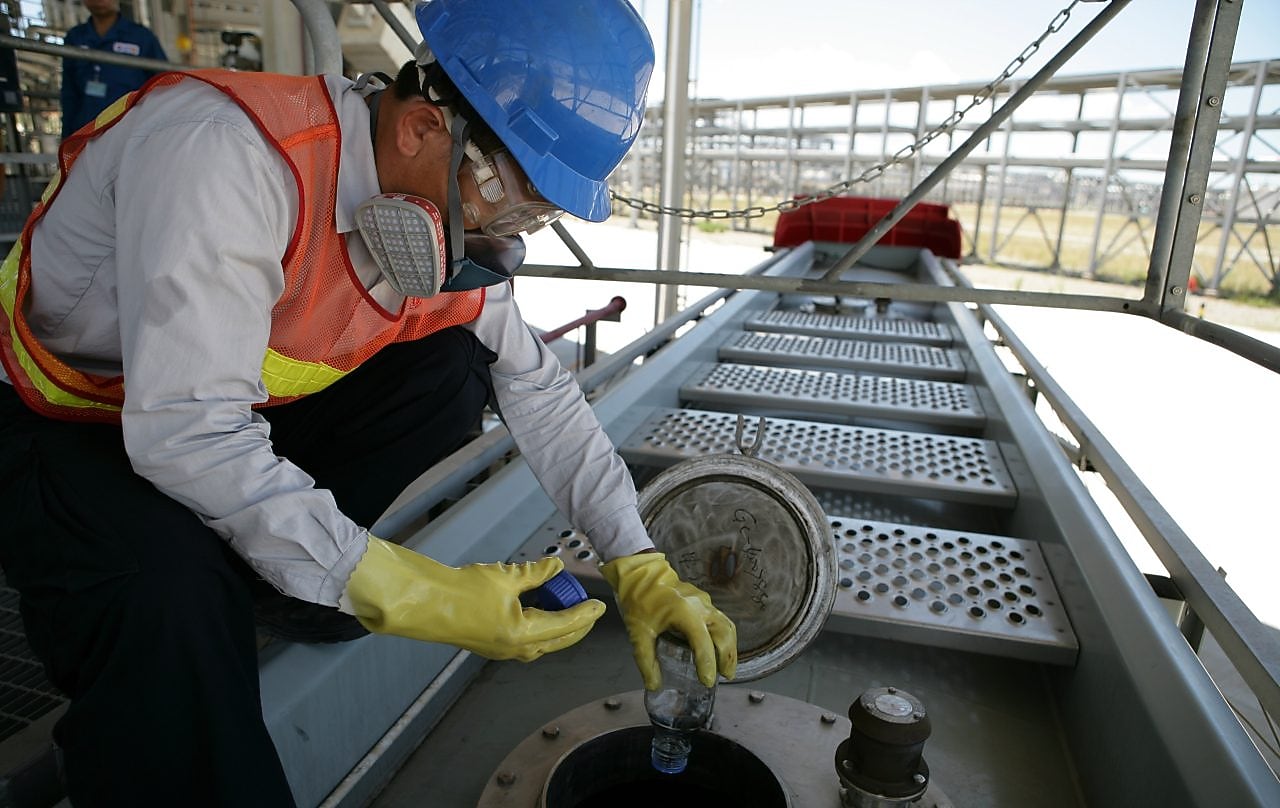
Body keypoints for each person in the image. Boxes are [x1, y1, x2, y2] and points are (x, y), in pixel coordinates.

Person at [0, 0, 737, 804]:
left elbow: (541, 390)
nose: (505, 235)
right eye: (509, 203)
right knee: (167, 591)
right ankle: (241, 596)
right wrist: (399, 587)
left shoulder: (440, 218)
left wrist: (636, 559)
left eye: (535, 218)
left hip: (218, 412)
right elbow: (189, 432)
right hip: (65, 418)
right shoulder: (228, 157)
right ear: (422, 128)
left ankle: (286, 582)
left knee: (454, 362)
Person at [60, 0, 167, 139]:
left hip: (130, 130)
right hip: (87, 131)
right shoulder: (75, 38)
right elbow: (69, 93)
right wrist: (67, 137)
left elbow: (164, 84)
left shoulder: (142, 37)